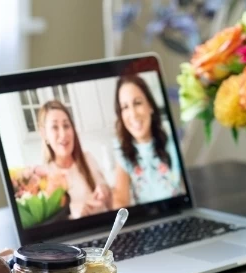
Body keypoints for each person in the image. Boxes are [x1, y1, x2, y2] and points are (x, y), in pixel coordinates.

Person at [112, 74, 183, 208]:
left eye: (137, 103)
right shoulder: (121, 150)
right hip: (147, 217)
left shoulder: (172, 138)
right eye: (125, 107)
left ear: (150, 106)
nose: (133, 114)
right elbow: (120, 198)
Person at [37, 100, 112, 219]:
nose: (63, 134)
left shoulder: (88, 159)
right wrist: (73, 213)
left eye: (66, 125)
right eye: (55, 127)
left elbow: (112, 206)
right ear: (44, 134)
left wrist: (106, 192)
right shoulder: (44, 177)